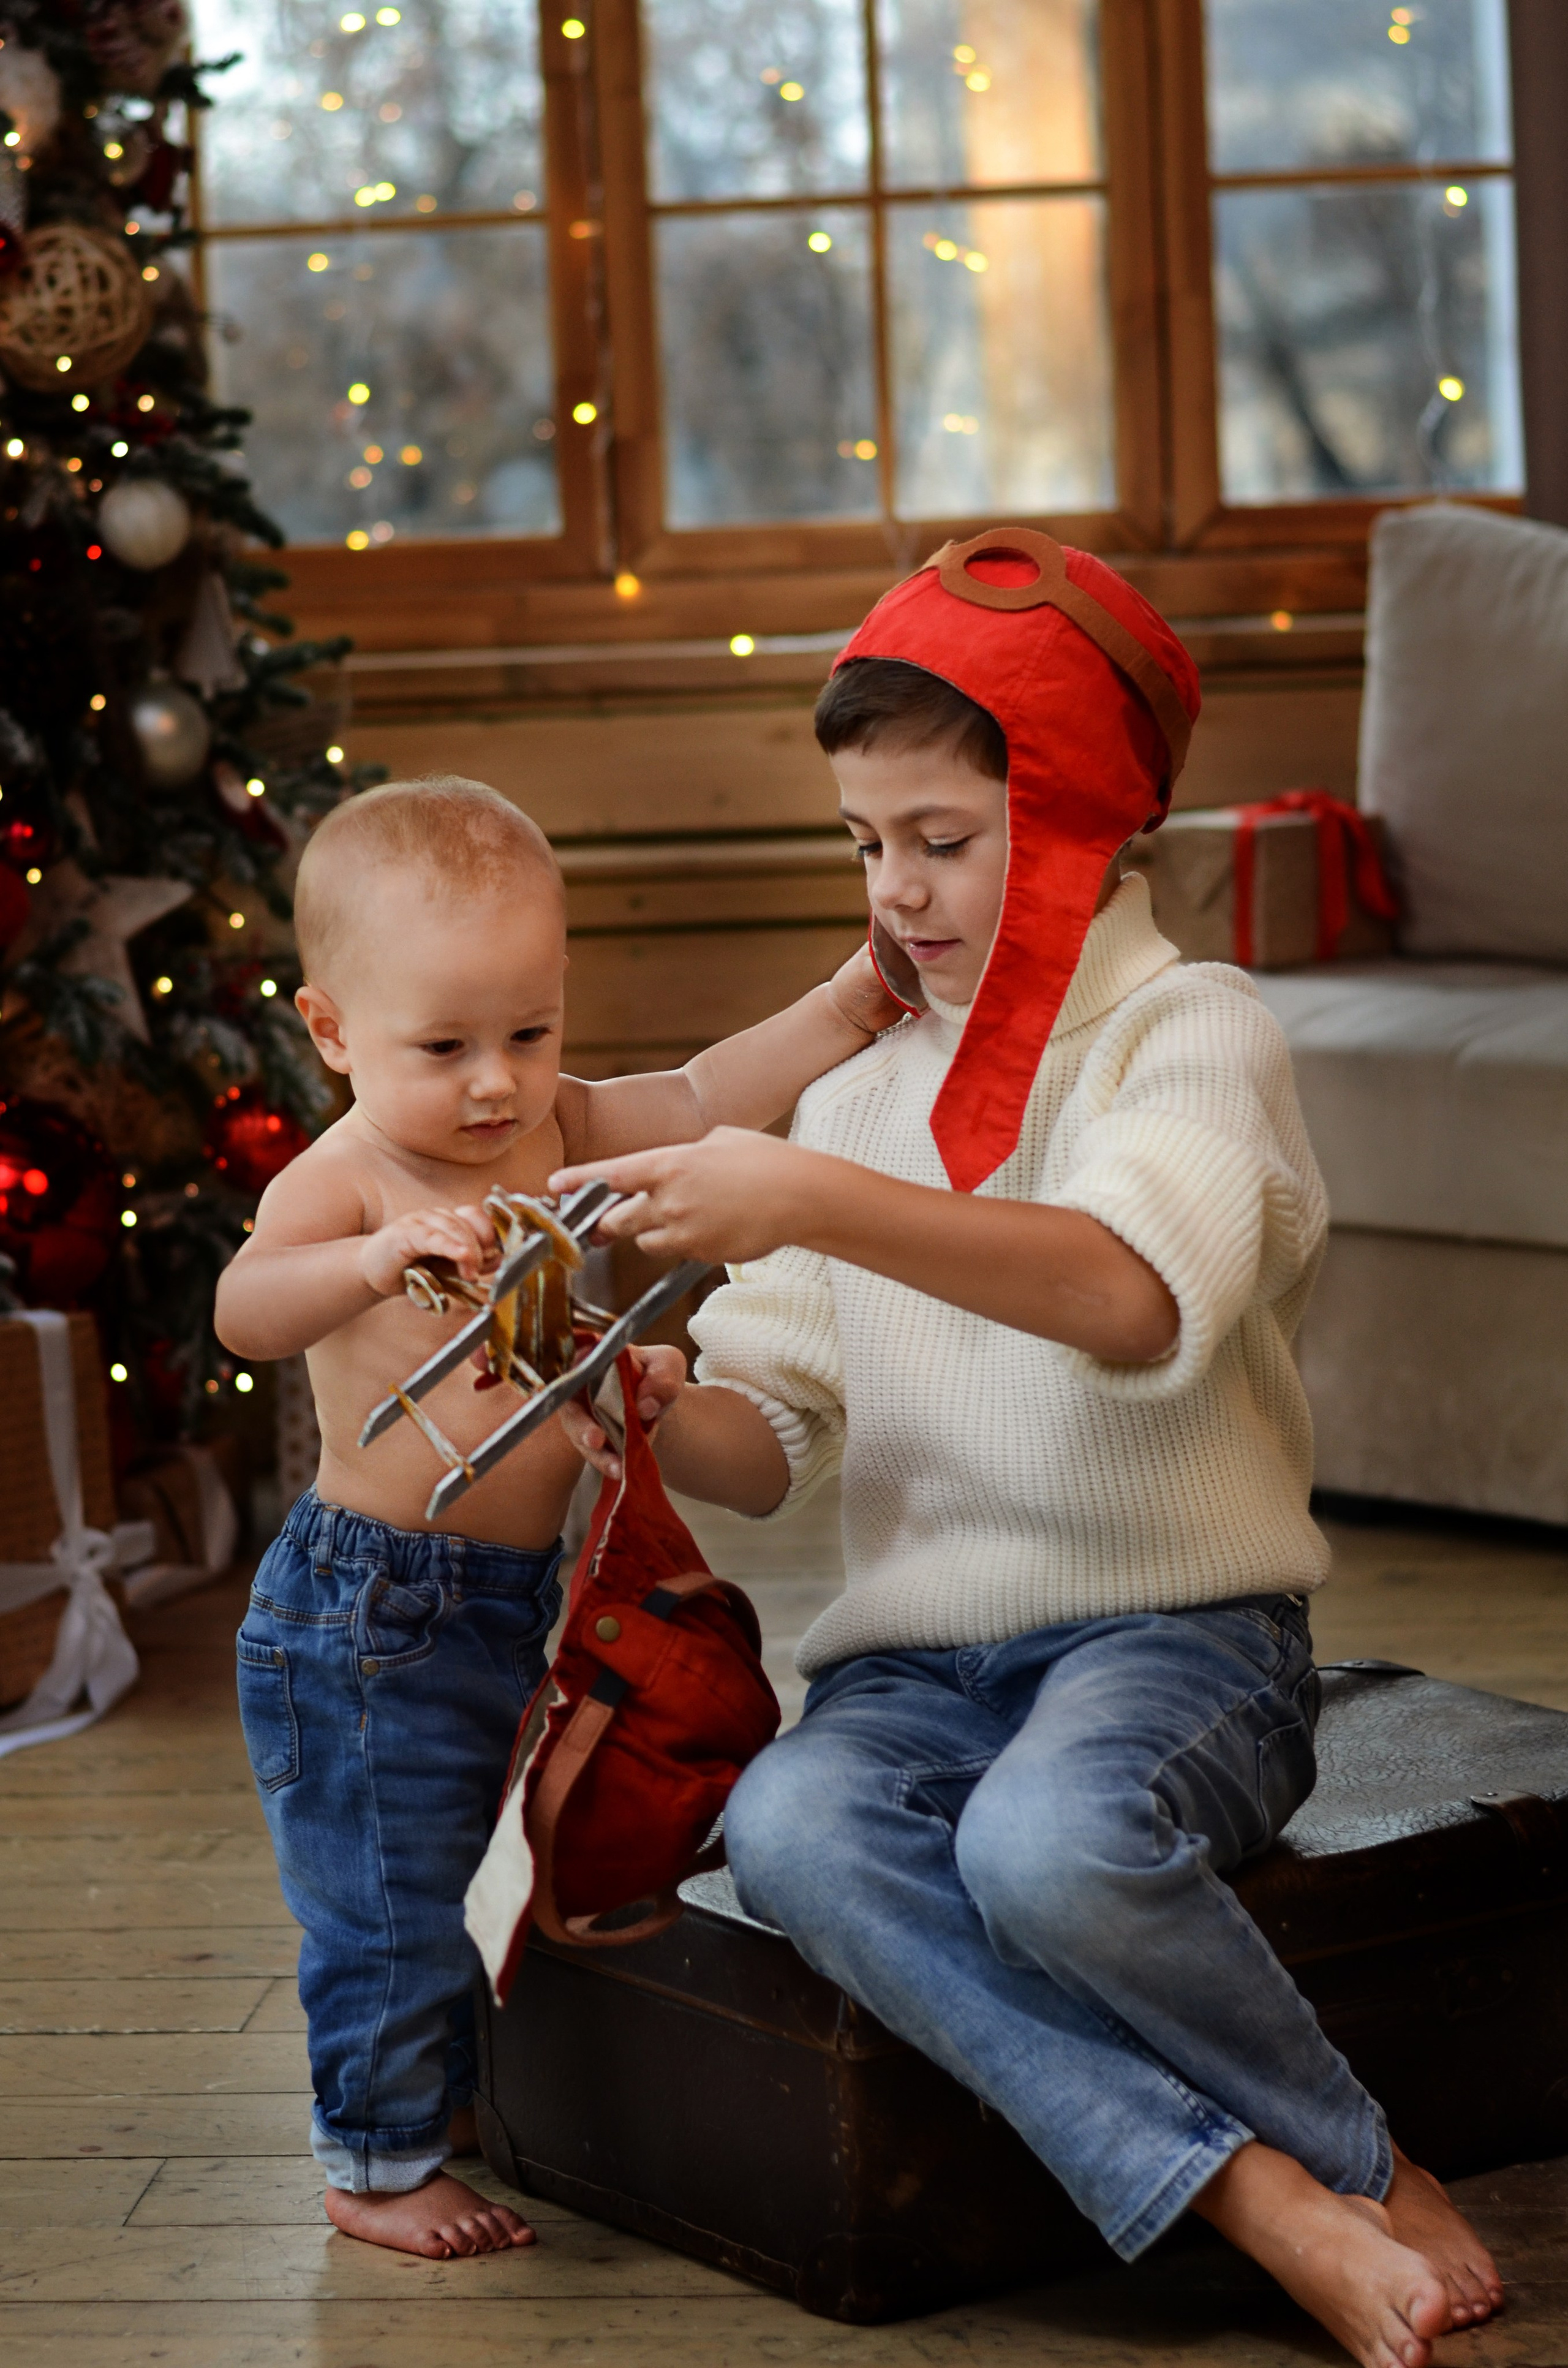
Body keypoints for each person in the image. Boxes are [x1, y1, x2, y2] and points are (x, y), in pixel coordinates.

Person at [550, 532, 1505, 2368]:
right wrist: (653, 1414)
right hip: (919, 1669)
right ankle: (1264, 2186)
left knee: (1049, 1849)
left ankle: (1350, 2158)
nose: (892, 891)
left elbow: (1130, 1297)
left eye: (941, 837)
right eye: (862, 840)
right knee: (793, 1821)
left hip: (1178, 1642)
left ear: (1078, 820)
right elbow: (773, 1446)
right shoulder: (857, 1092)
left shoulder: (1190, 1035)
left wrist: (811, 1194)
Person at [213, 773, 900, 2261]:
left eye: (528, 1032)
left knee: (498, 1849)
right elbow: (241, 1309)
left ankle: (458, 2096)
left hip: (522, 1589)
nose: (495, 1085)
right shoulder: (347, 1179)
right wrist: (374, 1256)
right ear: (332, 1032)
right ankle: (376, 2160)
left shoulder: (561, 1123)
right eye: (444, 1046)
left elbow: (710, 1096)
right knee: (387, 1885)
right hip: (368, 1611)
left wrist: (845, 1006)